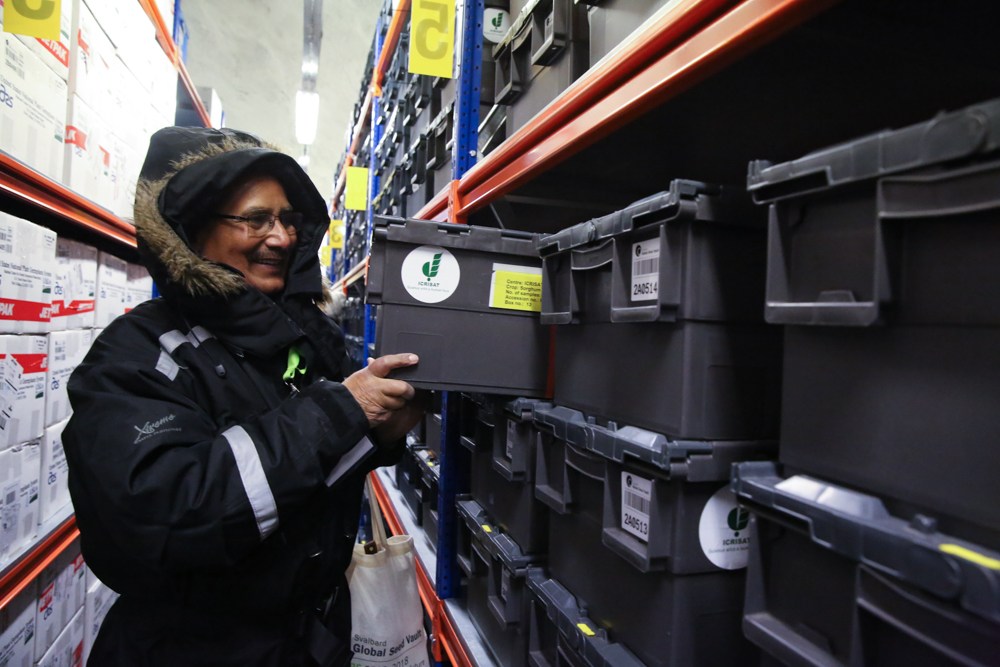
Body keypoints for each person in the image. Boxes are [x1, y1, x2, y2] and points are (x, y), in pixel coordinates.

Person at [63, 127, 424, 666]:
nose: (279, 238)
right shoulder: (137, 354)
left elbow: (300, 483)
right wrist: (342, 411)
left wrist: (378, 435)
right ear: (193, 230)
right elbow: (163, 515)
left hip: (305, 642)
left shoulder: (298, 340)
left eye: (286, 220)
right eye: (255, 219)